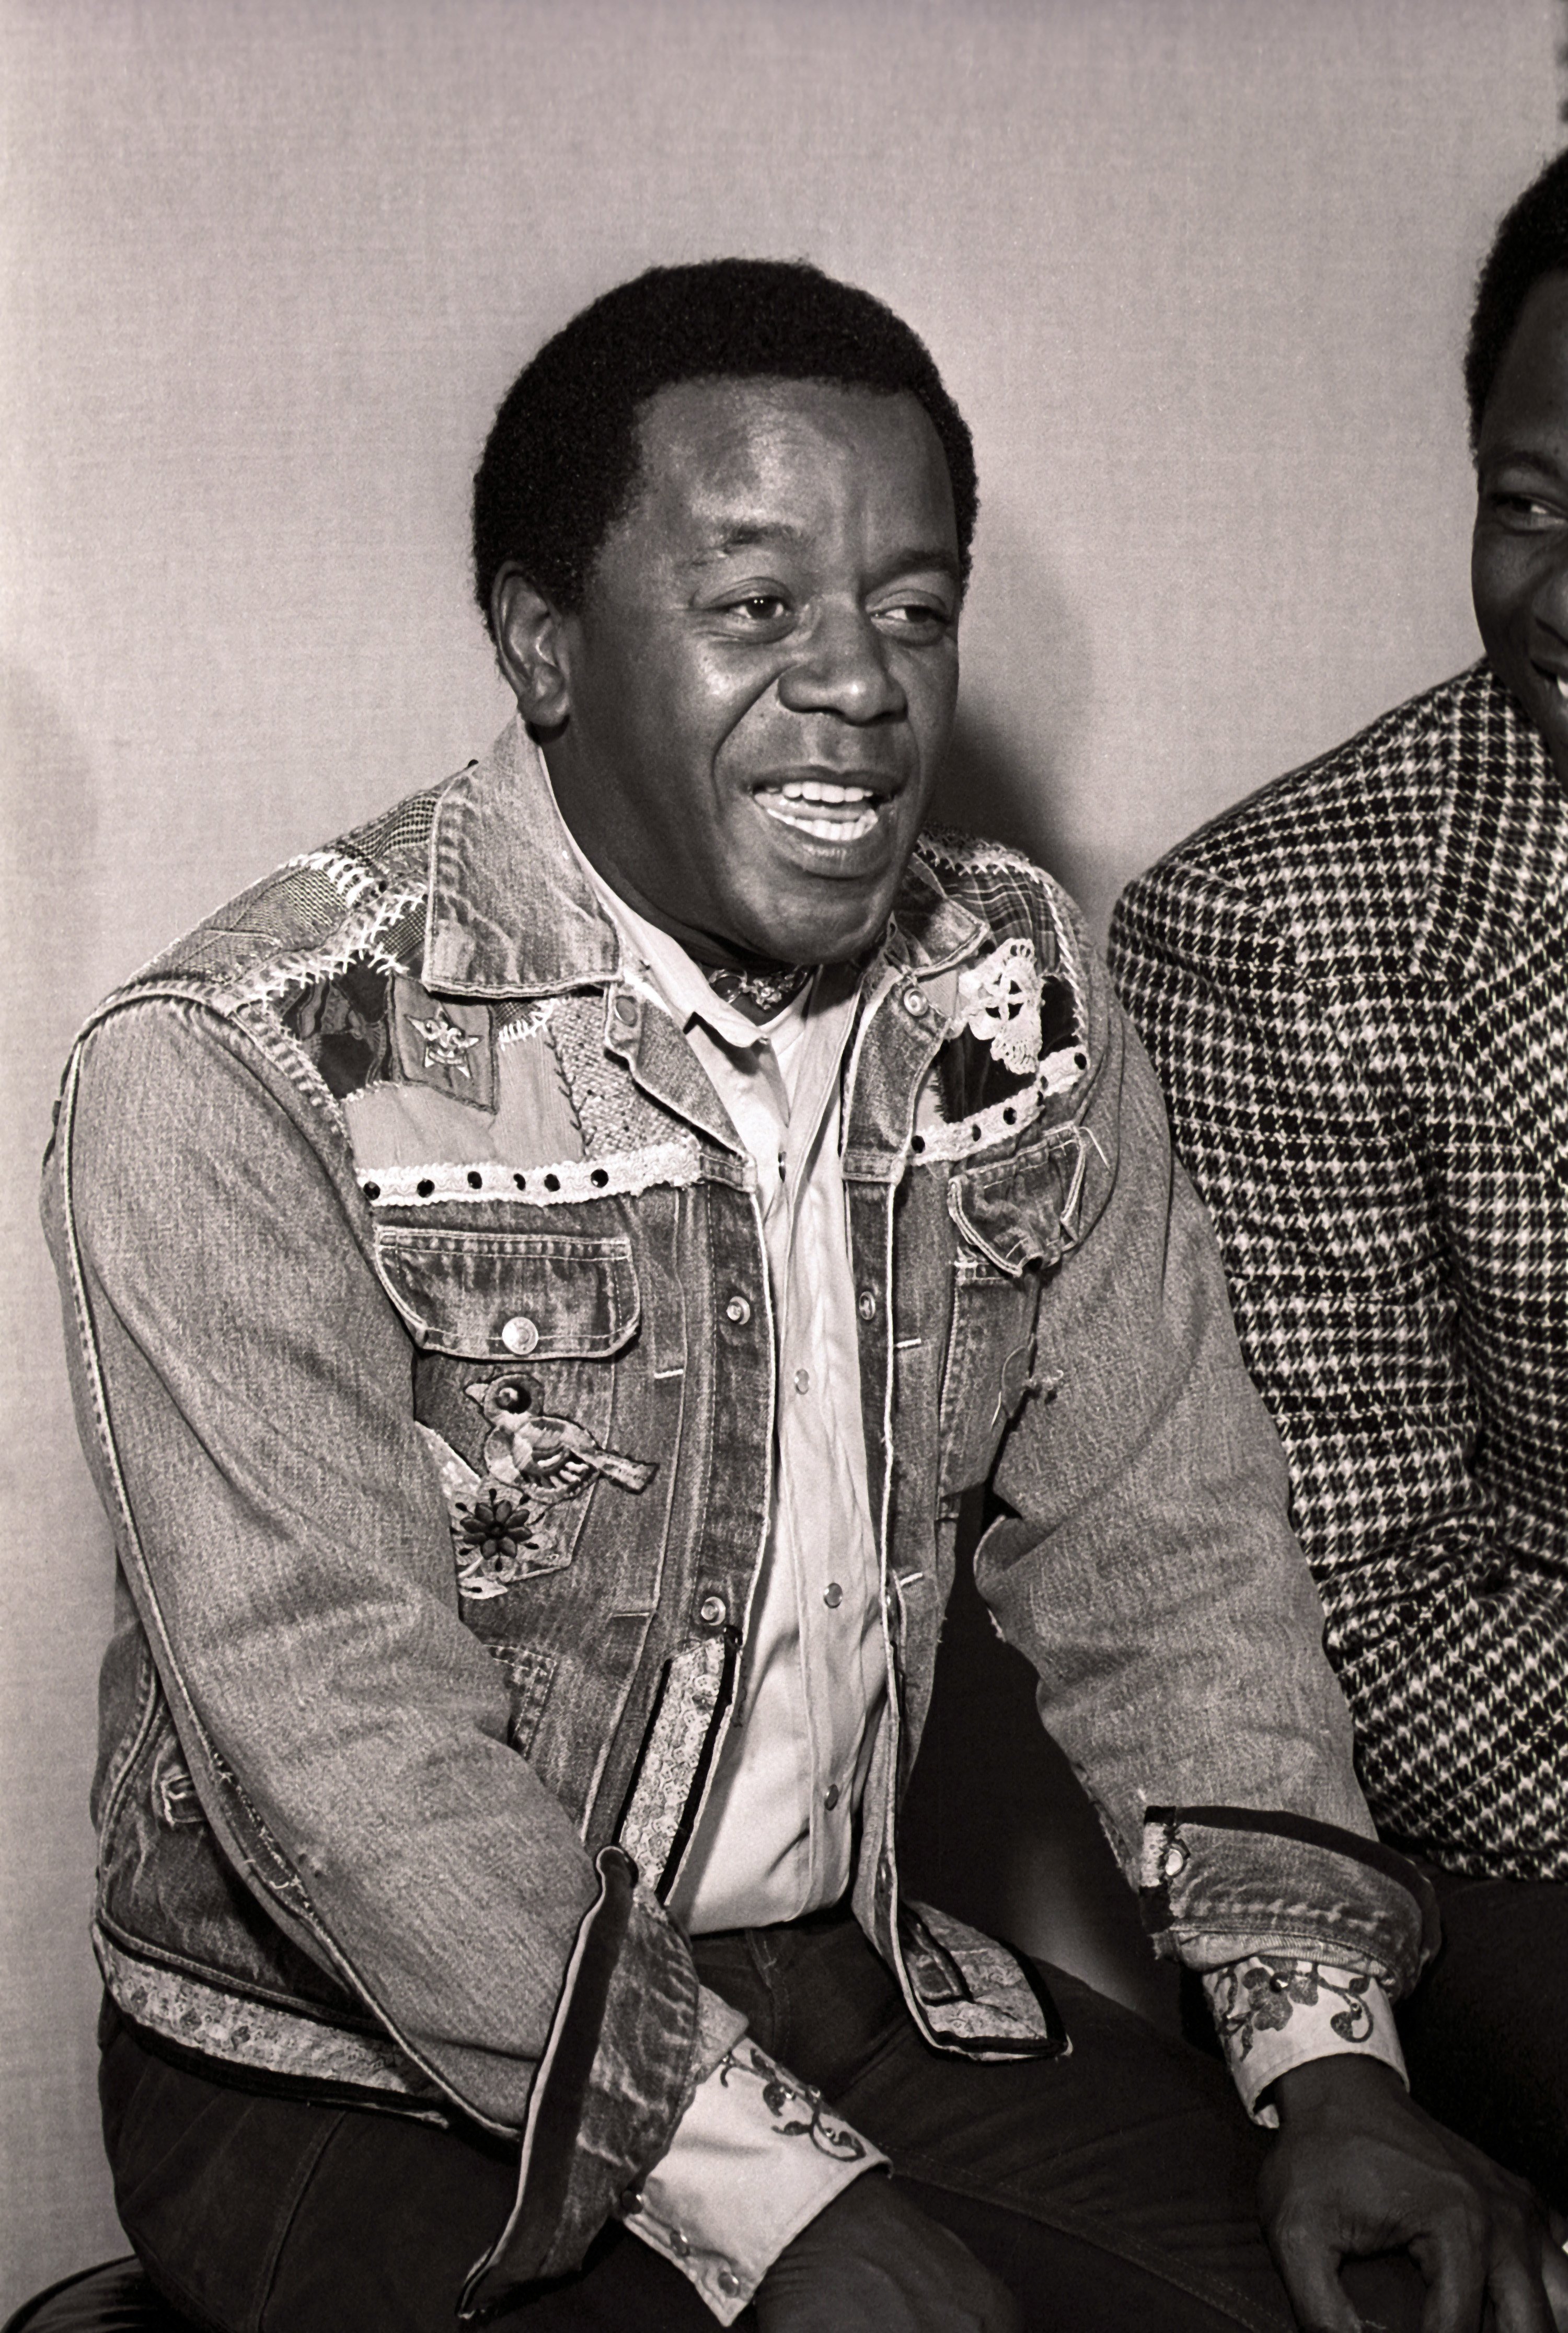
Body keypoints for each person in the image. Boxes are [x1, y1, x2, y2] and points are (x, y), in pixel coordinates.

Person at [44, 258, 1565, 2333]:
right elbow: (332, 1741)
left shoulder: (1008, 986)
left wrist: (1330, 2069)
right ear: (540, 640)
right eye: (757, 606)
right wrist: (752, 2200)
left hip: (853, 1982)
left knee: (1416, 2298)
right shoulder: (243, 1059)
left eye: (916, 608)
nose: (863, 679)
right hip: (345, 2072)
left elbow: (1174, 1546)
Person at [1111, 152, 1568, 2216]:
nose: (1558, 591)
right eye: (1531, 501)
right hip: (1530, 1835)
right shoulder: (1294, 928)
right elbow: (1368, 1609)